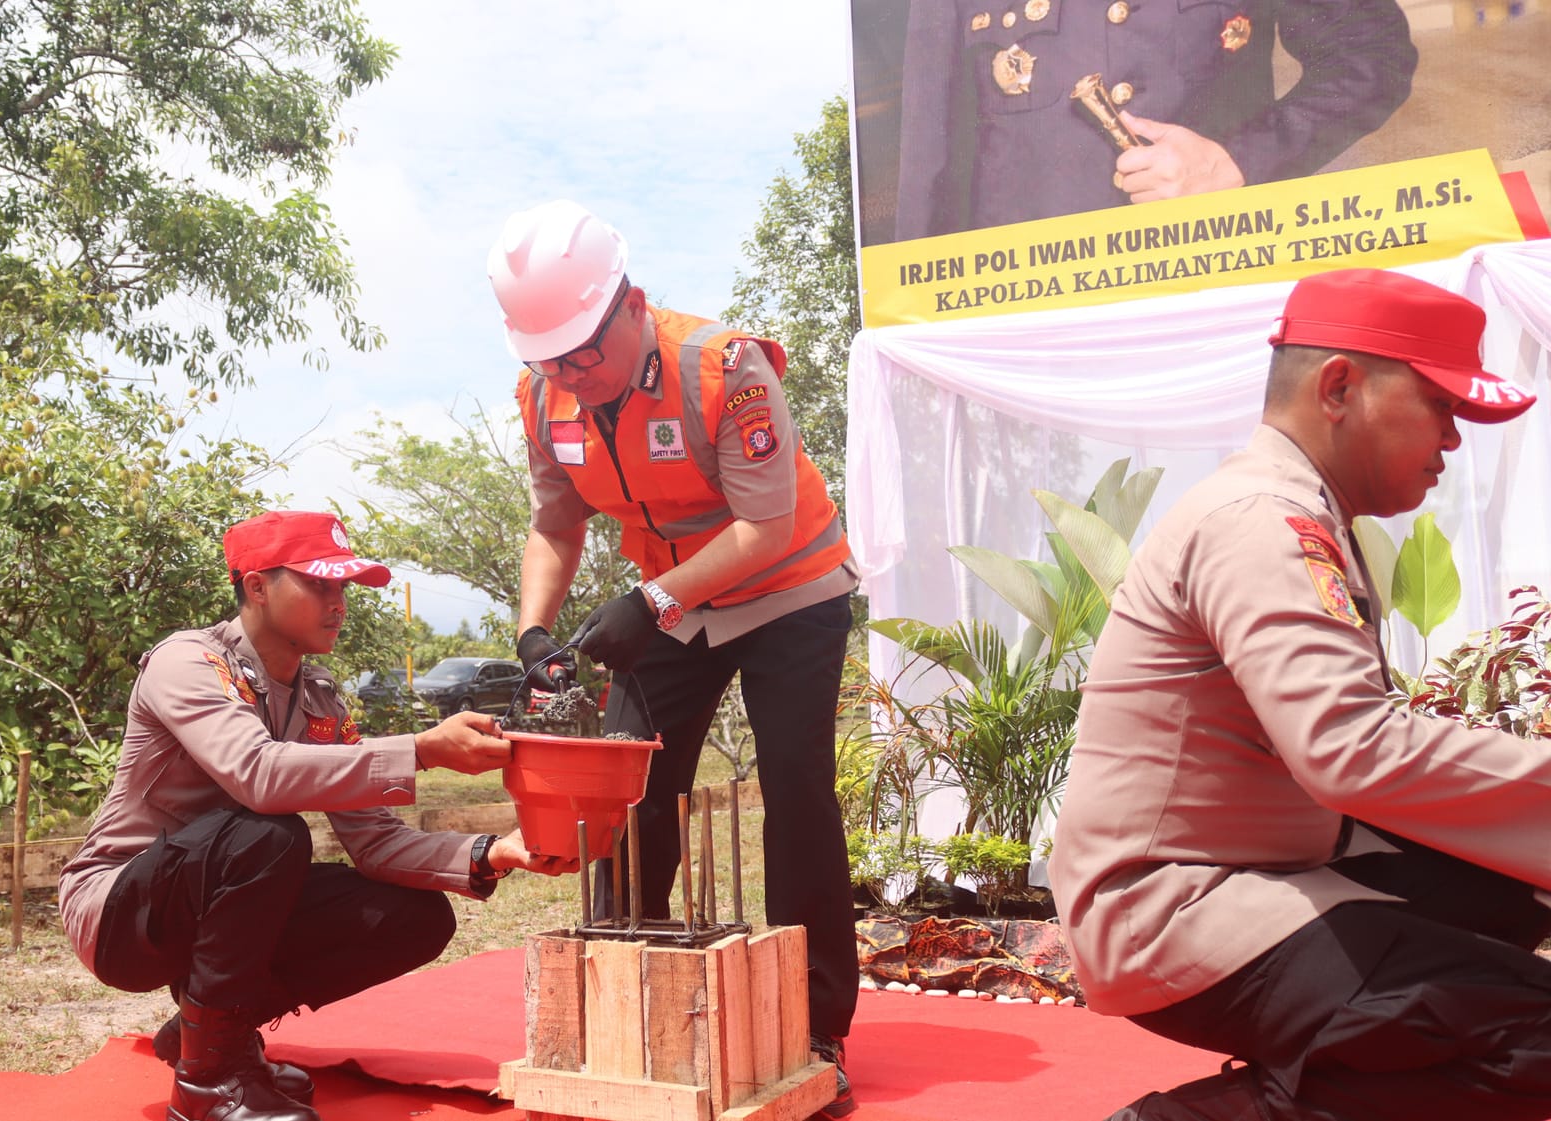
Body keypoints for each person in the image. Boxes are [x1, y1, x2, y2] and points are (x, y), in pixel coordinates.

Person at [1049, 267, 1550, 1120]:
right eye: (1440, 403)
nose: (1453, 438)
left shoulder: (1297, 512)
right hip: (1172, 901)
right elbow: (1348, 746)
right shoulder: (1262, 519)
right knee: (1531, 1036)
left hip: (1258, 865)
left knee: (1509, 895)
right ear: (1339, 387)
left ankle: (1323, 1065)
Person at [487, 199, 861, 1118]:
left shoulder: (724, 368)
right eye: (550, 359)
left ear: (631, 304)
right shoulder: (544, 397)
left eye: (584, 353)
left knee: (796, 790)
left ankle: (814, 1023)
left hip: (788, 585)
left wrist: (651, 602)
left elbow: (765, 525)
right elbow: (555, 524)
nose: (573, 375)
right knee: (630, 787)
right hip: (676, 599)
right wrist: (534, 630)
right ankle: (632, 994)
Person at [58, 510, 576, 1121]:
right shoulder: (189, 661)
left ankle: (212, 1036)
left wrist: (495, 852)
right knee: (268, 833)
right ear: (257, 586)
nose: (338, 603)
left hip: (216, 888)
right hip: (121, 909)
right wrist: (421, 751)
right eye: (319, 584)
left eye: (344, 586)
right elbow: (257, 774)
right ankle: (208, 1083)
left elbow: (375, 842)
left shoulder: (319, 699)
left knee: (413, 916)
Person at [890, 0, 1418, 241]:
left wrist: (1238, 161)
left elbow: (1372, 57)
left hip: (1211, 293)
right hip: (1035, 328)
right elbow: (930, 157)